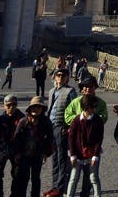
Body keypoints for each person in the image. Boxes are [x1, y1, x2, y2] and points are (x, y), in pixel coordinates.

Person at [9, 97, 54, 197]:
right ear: (29, 108)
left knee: (36, 178)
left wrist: (46, 153)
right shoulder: (23, 122)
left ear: (42, 109)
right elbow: (15, 139)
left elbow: (50, 139)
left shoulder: (46, 122)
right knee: (23, 179)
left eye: (38, 107)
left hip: (37, 155)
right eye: (33, 107)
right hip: (24, 155)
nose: (35, 109)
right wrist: (16, 153)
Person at [46, 69, 77, 197]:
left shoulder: (70, 91)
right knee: (54, 157)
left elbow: (74, 110)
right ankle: (55, 185)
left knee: (62, 158)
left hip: (61, 127)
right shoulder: (52, 91)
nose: (60, 77)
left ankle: (60, 187)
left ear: (67, 77)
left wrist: (68, 126)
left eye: (62, 75)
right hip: (51, 126)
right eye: (58, 75)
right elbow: (50, 109)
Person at [65, 96, 103, 197]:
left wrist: (95, 155)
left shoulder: (98, 120)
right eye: (93, 107)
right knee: (73, 178)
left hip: (92, 154)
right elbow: (71, 138)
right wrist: (72, 155)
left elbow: (99, 139)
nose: (95, 109)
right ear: (86, 108)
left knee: (93, 178)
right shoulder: (77, 120)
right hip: (77, 154)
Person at [0, 96, 25, 197]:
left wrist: (19, 152)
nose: (11, 107)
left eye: (14, 105)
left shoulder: (23, 119)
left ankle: (14, 195)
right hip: (2, 150)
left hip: (16, 151)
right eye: (8, 105)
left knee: (17, 175)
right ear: (4, 106)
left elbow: (25, 138)